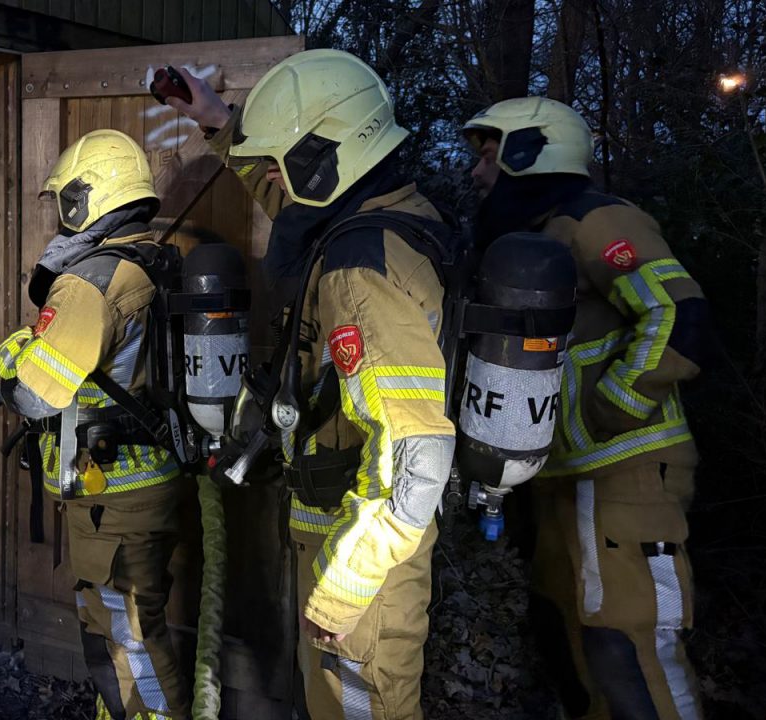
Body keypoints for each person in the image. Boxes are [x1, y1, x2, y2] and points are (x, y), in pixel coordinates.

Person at [168, 49, 454, 719]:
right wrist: (215, 119)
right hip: (352, 540)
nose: (270, 177)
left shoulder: (359, 273)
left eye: (282, 159)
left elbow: (418, 451)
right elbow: (285, 191)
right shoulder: (384, 210)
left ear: (329, 154)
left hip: (361, 566)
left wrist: (344, 588)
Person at [463, 96, 708, 720]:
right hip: (561, 479)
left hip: (626, 474)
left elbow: (675, 310)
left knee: (628, 646)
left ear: (529, 152)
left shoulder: (595, 222)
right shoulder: (535, 235)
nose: (476, 172)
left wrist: (616, 405)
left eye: (489, 155)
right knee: (574, 638)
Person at [0, 129, 189, 720]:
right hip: (146, 484)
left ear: (87, 198)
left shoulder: (91, 281)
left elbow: (32, 394)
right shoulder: (151, 261)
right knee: (127, 628)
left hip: (115, 497)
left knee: (126, 636)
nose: (61, 214)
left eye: (65, 200)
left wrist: (13, 350)